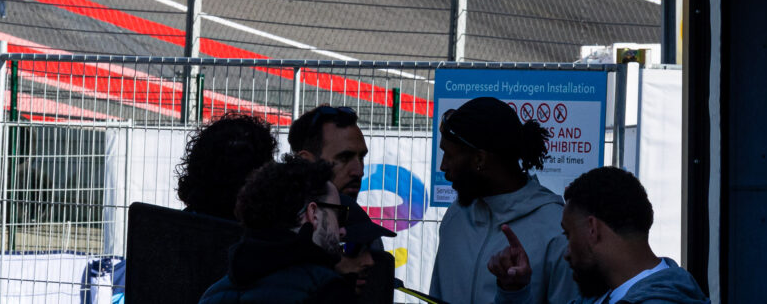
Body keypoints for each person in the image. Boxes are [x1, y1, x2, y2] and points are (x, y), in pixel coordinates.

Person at [431, 99, 577, 304]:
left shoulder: (556, 230)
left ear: (479, 159)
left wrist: (515, 292)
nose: (443, 166)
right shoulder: (456, 216)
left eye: (448, 155)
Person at [194, 157, 389, 304]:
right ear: (313, 213)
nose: (342, 230)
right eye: (338, 215)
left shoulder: (213, 294)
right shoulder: (326, 291)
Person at [529, 168, 704, 303]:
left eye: (568, 235)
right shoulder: (607, 293)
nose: (566, 253)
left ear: (592, 229)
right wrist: (517, 292)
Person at [287, 107, 388, 272]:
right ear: (306, 161)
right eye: (344, 158)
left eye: (361, 157)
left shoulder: (365, 231)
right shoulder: (277, 230)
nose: (359, 171)